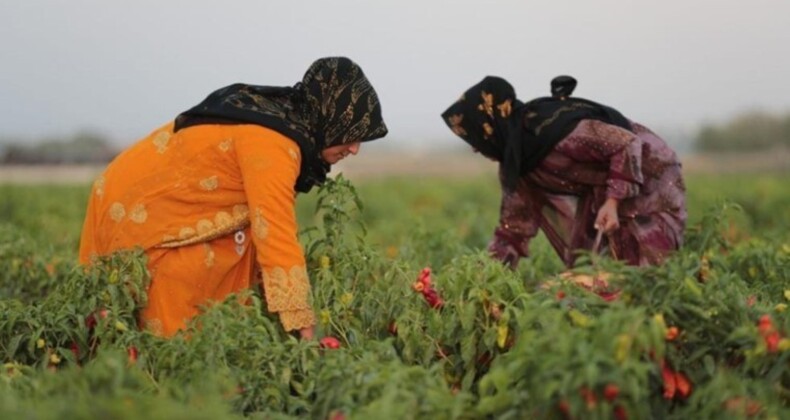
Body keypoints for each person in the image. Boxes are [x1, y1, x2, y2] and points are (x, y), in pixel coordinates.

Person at [79, 57, 388, 339]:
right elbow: (276, 234)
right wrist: (304, 331)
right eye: (351, 132)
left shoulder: (282, 128)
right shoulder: (275, 145)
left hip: (139, 199)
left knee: (234, 260)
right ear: (327, 118)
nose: (355, 148)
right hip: (137, 211)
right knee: (180, 330)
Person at [441, 75, 686, 268]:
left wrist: (613, 201)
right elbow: (513, 229)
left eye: (474, 137)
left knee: (645, 262)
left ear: (490, 127)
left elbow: (626, 143)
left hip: (647, 172)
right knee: (590, 265)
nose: (475, 148)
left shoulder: (555, 132)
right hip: (603, 187)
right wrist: (486, 281)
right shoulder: (516, 165)